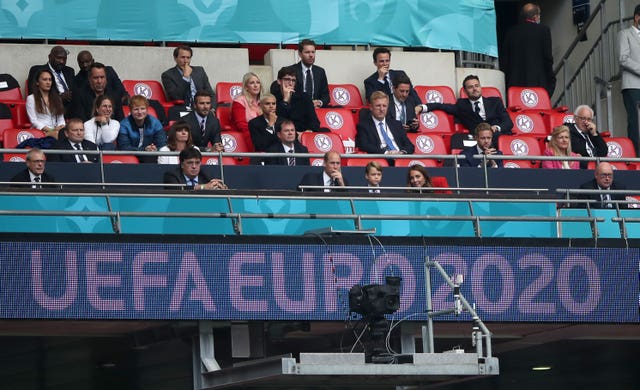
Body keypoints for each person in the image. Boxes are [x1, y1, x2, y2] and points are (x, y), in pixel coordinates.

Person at [416, 75, 513, 146]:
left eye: (477, 85)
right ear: (465, 91)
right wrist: (422, 107)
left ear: (480, 87)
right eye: (470, 87)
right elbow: (442, 106)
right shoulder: (462, 105)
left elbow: (508, 123)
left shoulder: (495, 102)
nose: (475, 89)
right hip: (478, 141)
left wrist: (496, 127)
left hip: (497, 137)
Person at [503, 3, 555, 97]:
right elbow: (547, 58)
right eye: (539, 15)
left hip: (515, 84)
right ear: (535, 17)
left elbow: (506, 61)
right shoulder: (543, 30)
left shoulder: (511, 32)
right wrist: (551, 82)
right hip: (538, 83)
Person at [269, 39, 329, 108]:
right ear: (300, 54)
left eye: (313, 52)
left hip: (315, 110)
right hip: (295, 110)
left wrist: (319, 102)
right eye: (307, 52)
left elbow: (326, 96)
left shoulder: (320, 71)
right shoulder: (290, 70)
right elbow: (275, 88)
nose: (311, 55)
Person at [356, 91, 415, 160]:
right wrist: (386, 153)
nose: (381, 109)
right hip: (382, 159)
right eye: (378, 106)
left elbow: (410, 145)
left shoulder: (396, 124)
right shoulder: (364, 126)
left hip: (401, 158)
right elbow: (364, 145)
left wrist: (401, 153)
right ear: (371, 107)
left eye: (384, 106)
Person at [117, 95, 167, 163]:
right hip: (130, 157)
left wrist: (155, 149)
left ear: (147, 109)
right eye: (136, 109)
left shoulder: (155, 123)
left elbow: (162, 145)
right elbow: (124, 147)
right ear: (130, 110)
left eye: (142, 108)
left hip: (151, 156)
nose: (140, 112)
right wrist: (144, 150)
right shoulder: (124, 125)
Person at [618, 4, 640, 154]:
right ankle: (636, 155)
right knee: (635, 121)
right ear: (637, 17)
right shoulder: (624, 34)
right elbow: (623, 58)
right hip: (632, 85)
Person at [274, 66, 321, 134]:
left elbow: (314, 122)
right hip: (284, 136)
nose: (290, 83)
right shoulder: (274, 98)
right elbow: (278, 123)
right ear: (279, 81)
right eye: (287, 79)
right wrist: (285, 101)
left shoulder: (304, 97)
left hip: (303, 134)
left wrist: (308, 132)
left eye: (293, 80)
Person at [27, 46, 74, 113]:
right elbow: (33, 92)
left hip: (72, 107)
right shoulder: (37, 70)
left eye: (64, 59)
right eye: (59, 58)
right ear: (50, 57)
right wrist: (59, 98)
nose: (62, 61)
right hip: (50, 108)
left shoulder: (69, 71)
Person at [25, 68, 65, 139]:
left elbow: (61, 119)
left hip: (56, 130)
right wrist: (51, 130)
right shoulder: (31, 98)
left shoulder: (57, 98)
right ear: (37, 82)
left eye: (50, 80)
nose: (48, 82)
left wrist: (61, 127)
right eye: (45, 79)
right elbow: (34, 121)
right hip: (40, 131)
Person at [568, 104, 608, 169]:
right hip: (582, 168)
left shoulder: (592, 131)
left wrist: (595, 134)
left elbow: (604, 152)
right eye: (583, 118)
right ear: (575, 118)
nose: (586, 122)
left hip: (597, 166)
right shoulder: (568, 132)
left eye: (589, 119)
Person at [231, 72, 262, 150]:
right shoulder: (239, 101)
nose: (255, 85)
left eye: (258, 82)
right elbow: (241, 124)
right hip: (248, 134)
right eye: (252, 83)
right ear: (246, 87)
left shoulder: (264, 101)